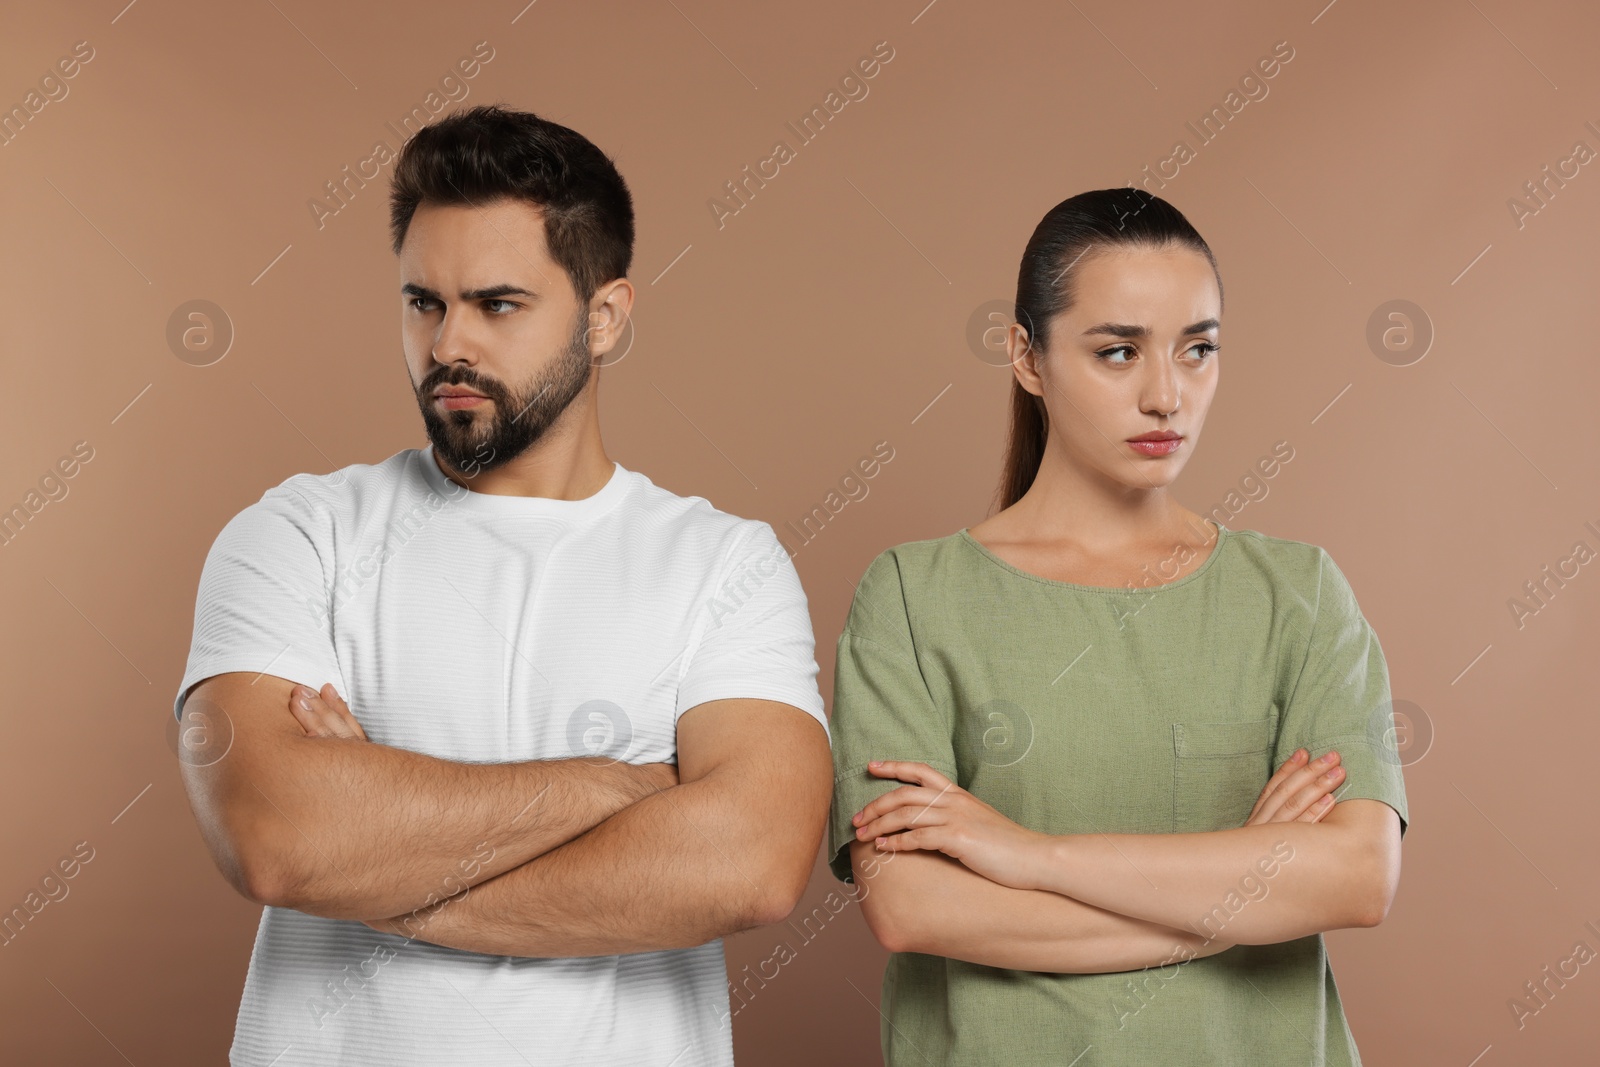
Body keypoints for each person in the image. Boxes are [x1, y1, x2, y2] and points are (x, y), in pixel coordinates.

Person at [173, 104, 832, 1067]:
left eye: (498, 304)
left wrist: (376, 853)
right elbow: (277, 838)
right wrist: (624, 789)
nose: (448, 344)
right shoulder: (299, 533)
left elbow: (753, 866)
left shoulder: (723, 564)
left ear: (604, 318)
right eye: (423, 302)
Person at [826, 187, 1409, 1066]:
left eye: (1198, 349)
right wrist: (1233, 896)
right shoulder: (912, 596)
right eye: (1118, 351)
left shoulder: (1299, 593)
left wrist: (1030, 853)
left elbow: (1358, 878)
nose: (1166, 394)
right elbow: (916, 908)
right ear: (1027, 356)